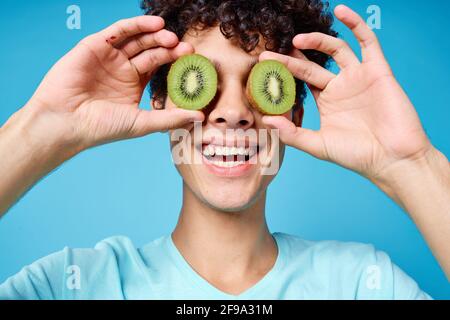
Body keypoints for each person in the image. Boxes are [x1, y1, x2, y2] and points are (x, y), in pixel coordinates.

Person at [0, 1, 449, 299]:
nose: (232, 112)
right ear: (159, 102)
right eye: (202, 83)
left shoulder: (361, 285)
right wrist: (43, 129)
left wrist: (410, 165)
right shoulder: (70, 286)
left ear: (293, 114)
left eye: (261, 84)